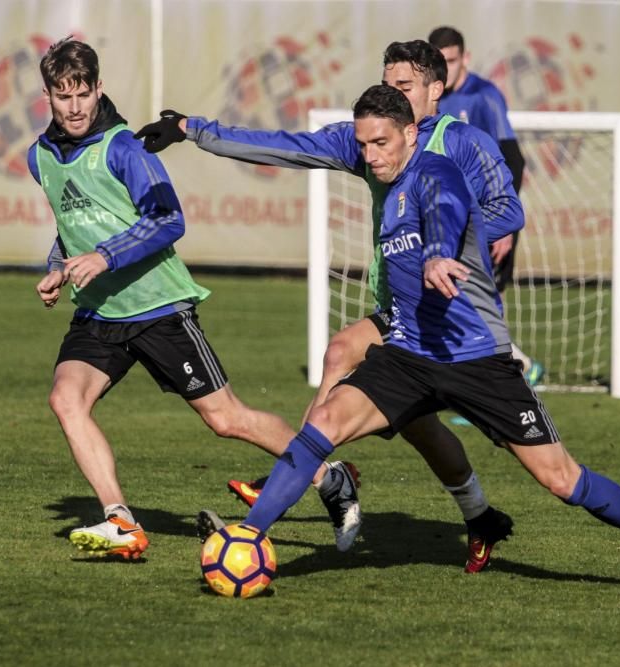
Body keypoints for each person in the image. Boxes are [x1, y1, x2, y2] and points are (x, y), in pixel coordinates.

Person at [241, 83, 620, 597]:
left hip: (477, 361)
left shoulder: (437, 170)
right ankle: (248, 537)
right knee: (323, 422)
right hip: (408, 354)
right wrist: (193, 130)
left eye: (380, 143)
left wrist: (438, 253)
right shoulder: (386, 188)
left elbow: (447, 209)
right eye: (362, 145)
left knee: (562, 480)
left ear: (408, 133)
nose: (369, 155)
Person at [135, 40, 523, 572]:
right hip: (399, 310)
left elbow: (508, 207)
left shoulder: (464, 143)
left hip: (454, 316)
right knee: (394, 403)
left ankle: (315, 475)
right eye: (387, 83)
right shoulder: (370, 141)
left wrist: (446, 238)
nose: (392, 93)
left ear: (436, 90)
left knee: (354, 364)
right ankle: (466, 513)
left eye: (404, 86)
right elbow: (284, 145)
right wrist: (192, 130)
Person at [27, 37, 360, 560]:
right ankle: (121, 520)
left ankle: (329, 476)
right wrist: (56, 266)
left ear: (99, 90)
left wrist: (104, 257)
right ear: (46, 95)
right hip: (100, 312)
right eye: (62, 95)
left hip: (159, 308)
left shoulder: (122, 147)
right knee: (66, 400)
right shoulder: (40, 156)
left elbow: (169, 219)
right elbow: (72, 221)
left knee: (226, 419)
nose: (73, 107)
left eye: (83, 94)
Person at [428, 26, 544, 386]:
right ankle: (506, 371)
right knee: (458, 304)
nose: (444, 70)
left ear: (465, 58)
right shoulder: (429, 97)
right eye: (438, 62)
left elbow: (514, 161)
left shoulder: (484, 96)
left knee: (483, 303)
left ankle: (511, 374)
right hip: (450, 218)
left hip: (490, 219)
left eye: (450, 61)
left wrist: (503, 225)